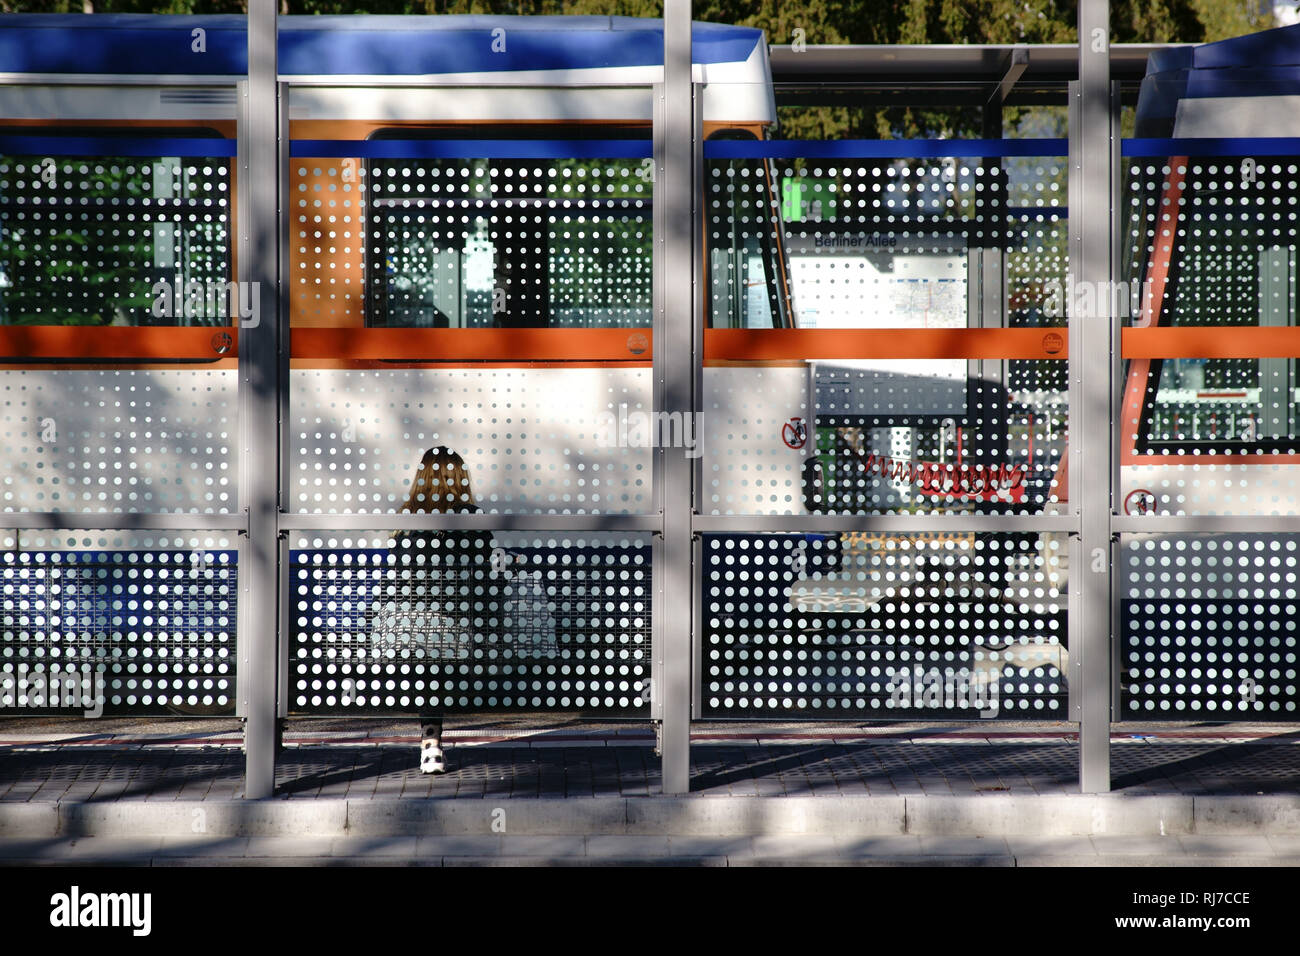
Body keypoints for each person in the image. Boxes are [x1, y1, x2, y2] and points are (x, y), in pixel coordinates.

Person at [391, 446, 494, 774]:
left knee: (429, 660)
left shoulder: (406, 521)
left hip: (413, 627)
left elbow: (397, 581)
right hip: (461, 626)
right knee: (445, 648)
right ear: (460, 479)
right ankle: (432, 743)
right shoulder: (473, 520)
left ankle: (431, 743)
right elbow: (486, 575)